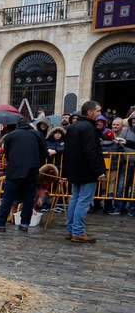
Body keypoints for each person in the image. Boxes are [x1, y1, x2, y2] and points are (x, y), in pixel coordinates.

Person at [0, 117, 47, 232]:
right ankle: (24, 224)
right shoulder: (37, 134)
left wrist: (12, 163)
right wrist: (37, 165)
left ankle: (0, 224)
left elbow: (7, 153)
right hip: (32, 171)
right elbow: (44, 152)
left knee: (8, 198)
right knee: (28, 198)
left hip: (14, 170)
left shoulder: (11, 135)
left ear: (17, 125)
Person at [63, 100, 107, 243]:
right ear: (90, 112)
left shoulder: (72, 127)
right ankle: (78, 232)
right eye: (98, 111)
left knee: (75, 199)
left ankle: (71, 230)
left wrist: (67, 171)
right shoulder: (89, 128)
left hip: (75, 170)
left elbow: (67, 151)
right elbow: (91, 151)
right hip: (87, 171)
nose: (100, 114)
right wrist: (99, 171)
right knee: (83, 201)